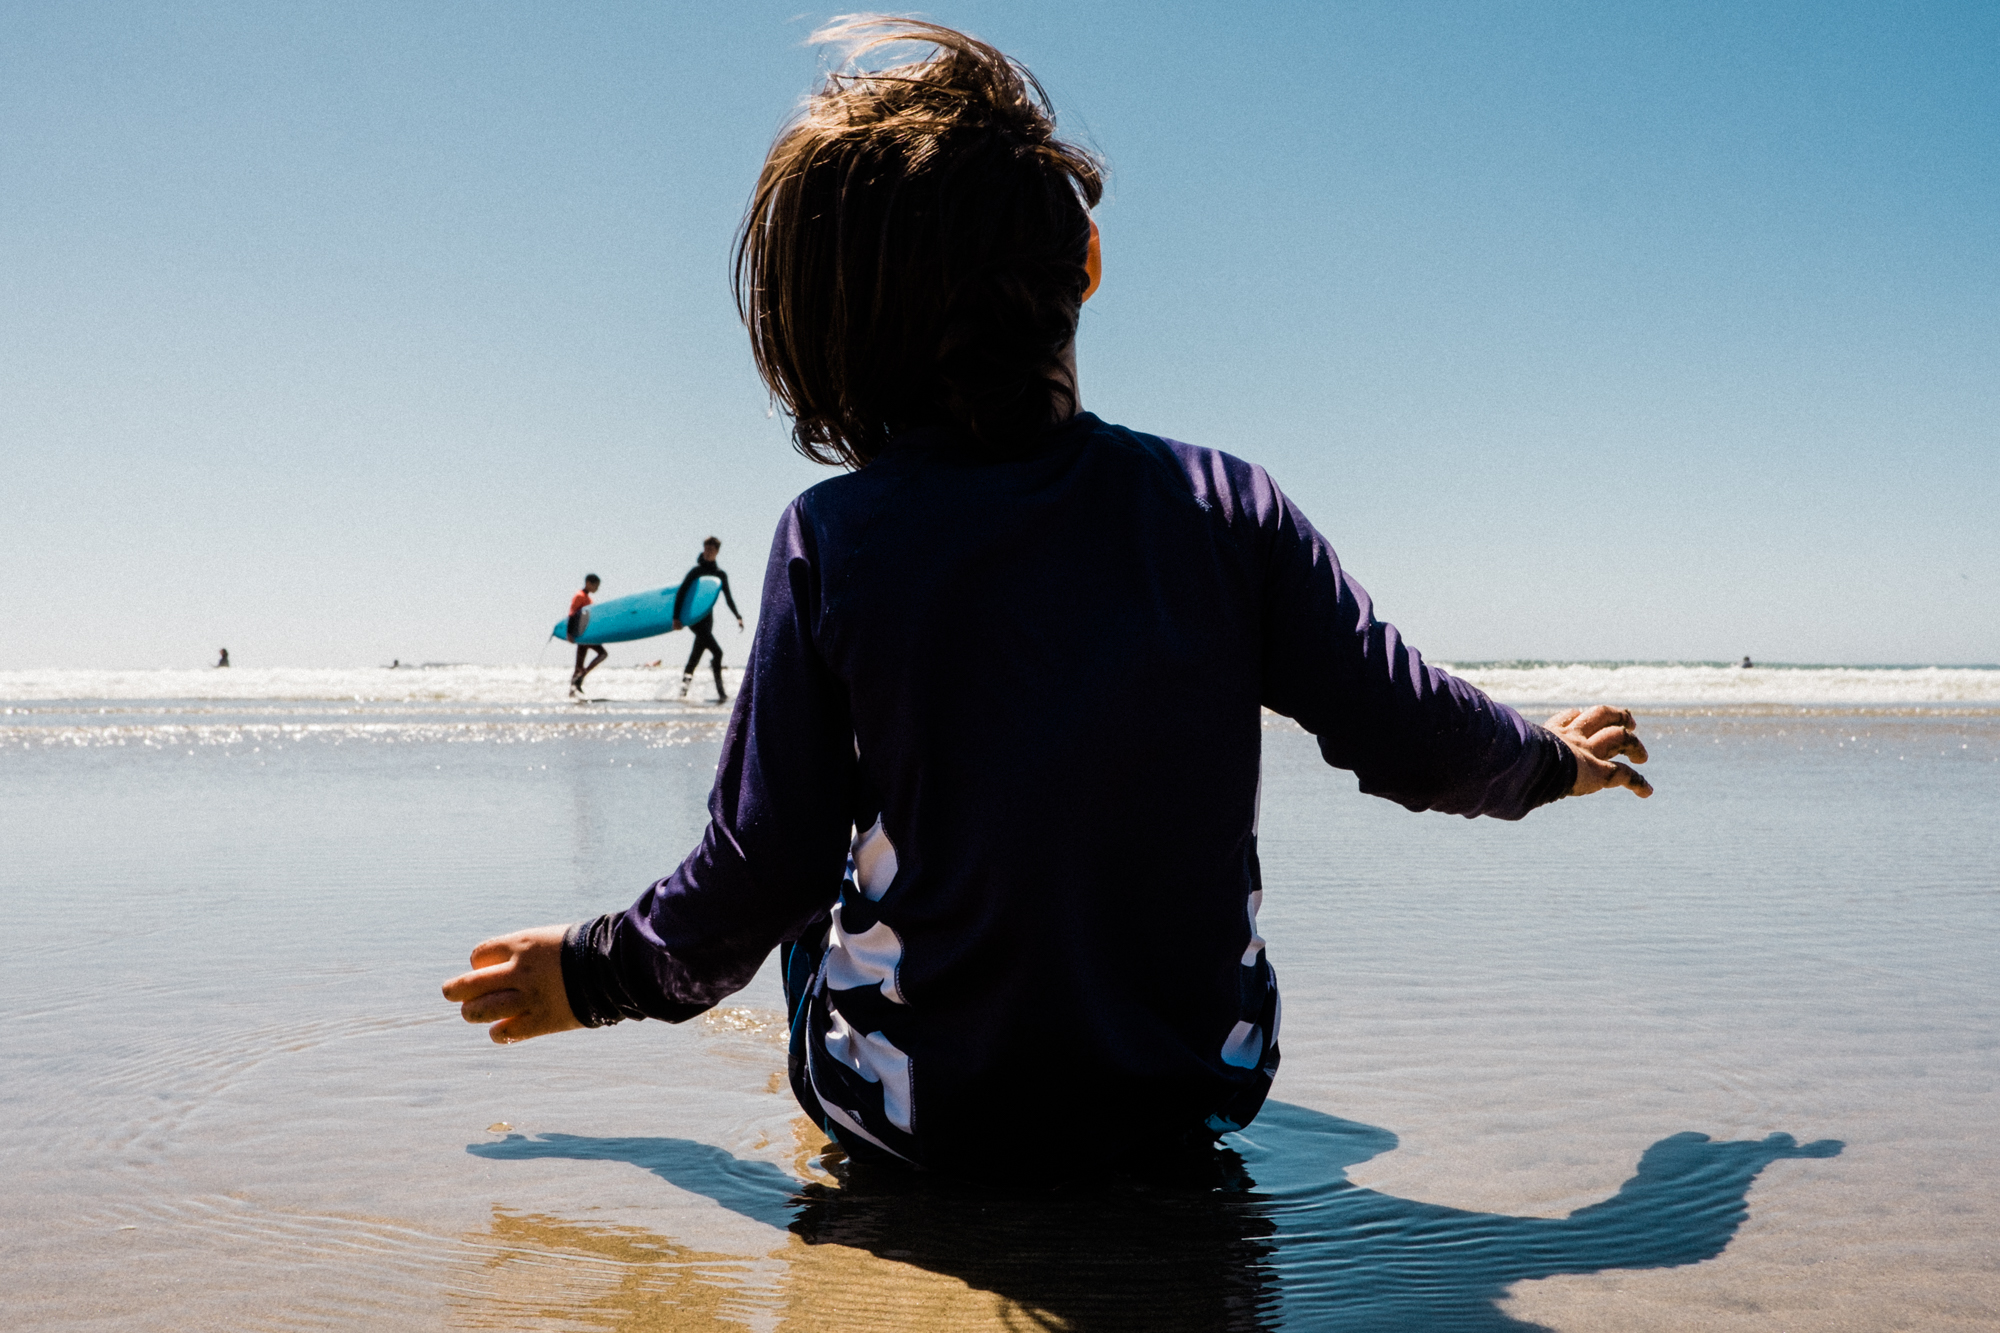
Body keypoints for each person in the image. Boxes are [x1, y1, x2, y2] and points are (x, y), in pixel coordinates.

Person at [444, 20, 1652, 1176]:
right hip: (1194, 1095)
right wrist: (1549, 759)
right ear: (1085, 261)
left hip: (930, 1136)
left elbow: (757, 873)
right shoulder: (1224, 506)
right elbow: (1418, 738)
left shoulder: (835, 539)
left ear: (823, 327)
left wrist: (595, 971)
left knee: (822, 884)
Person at [671, 537, 743, 703]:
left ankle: (682, 694)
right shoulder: (696, 572)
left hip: (708, 619)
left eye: (712, 550)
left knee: (695, 657)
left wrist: (738, 616)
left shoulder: (720, 574)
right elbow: (681, 593)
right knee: (717, 652)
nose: (709, 552)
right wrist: (676, 617)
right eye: (706, 549)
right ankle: (721, 693)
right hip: (695, 620)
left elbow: (728, 597)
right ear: (703, 549)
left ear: (717, 552)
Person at [567, 574, 607, 698]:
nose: (597, 589)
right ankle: (583, 675)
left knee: (578, 666)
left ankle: (572, 693)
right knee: (603, 654)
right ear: (588, 583)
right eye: (596, 586)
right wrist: (569, 633)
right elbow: (572, 614)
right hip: (582, 635)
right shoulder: (580, 596)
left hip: (586, 635)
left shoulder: (588, 599)